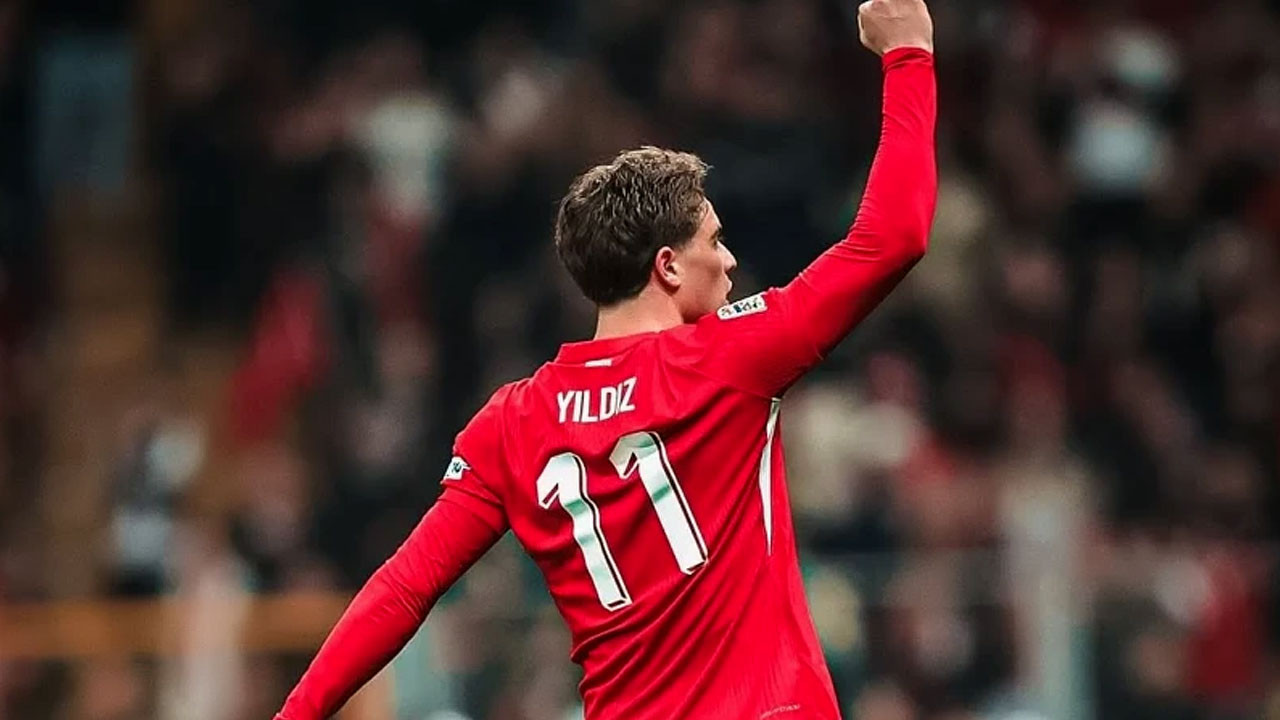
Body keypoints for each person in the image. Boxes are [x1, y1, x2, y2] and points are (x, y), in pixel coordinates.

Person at [274, 1, 936, 718]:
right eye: (714, 241)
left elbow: (404, 588)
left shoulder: (513, 423)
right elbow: (892, 237)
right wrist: (908, 52)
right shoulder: (729, 357)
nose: (729, 260)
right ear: (667, 266)